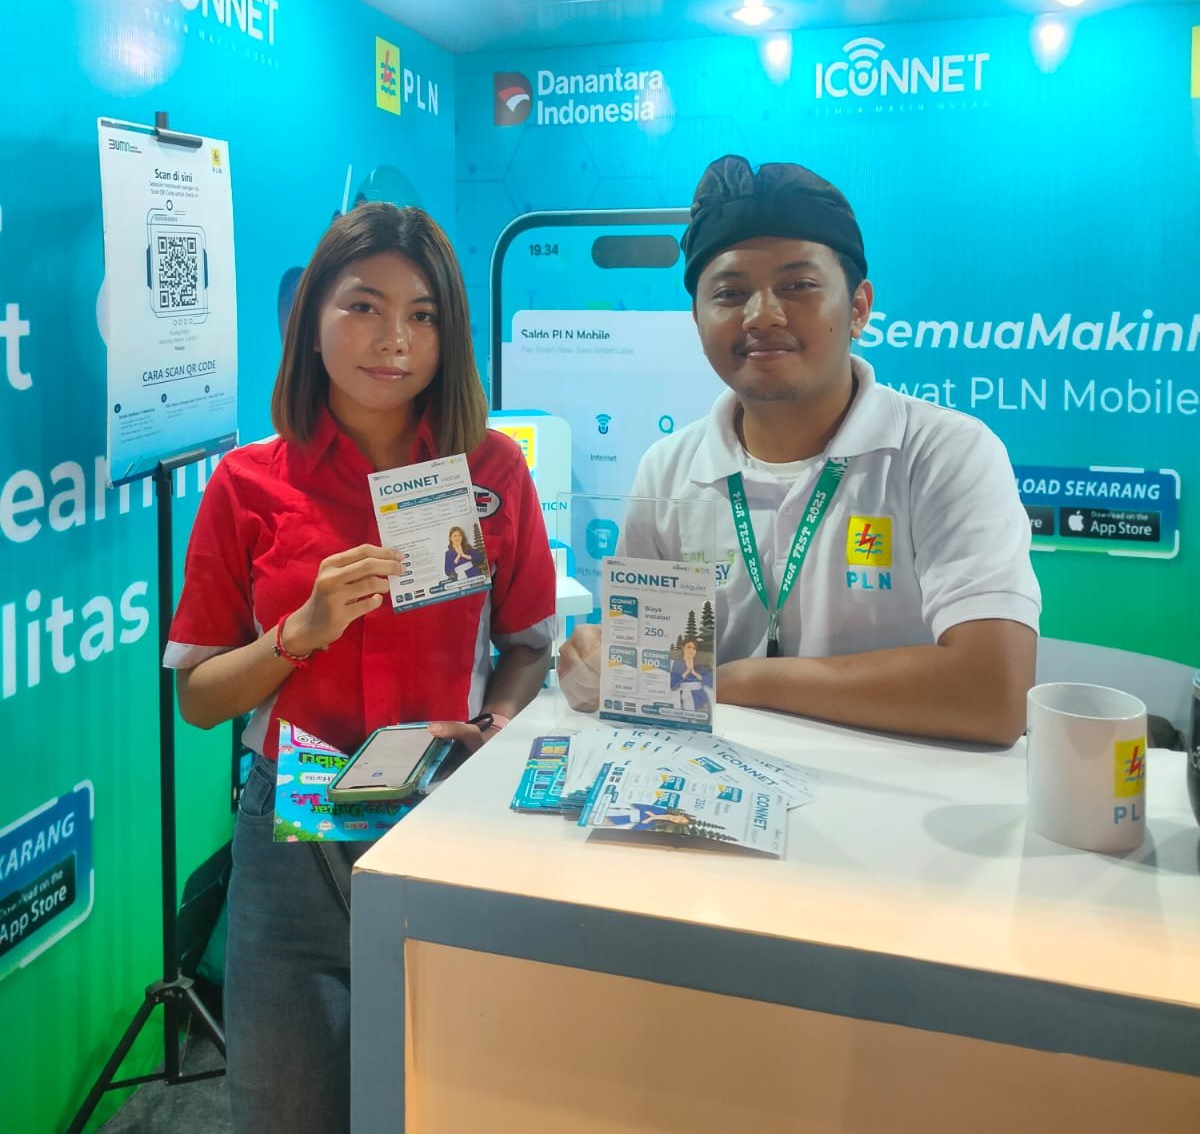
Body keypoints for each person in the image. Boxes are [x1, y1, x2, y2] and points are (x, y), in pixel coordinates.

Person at [165, 203, 555, 1134]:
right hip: (293, 837)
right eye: (364, 307)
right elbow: (198, 698)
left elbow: (529, 644)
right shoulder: (248, 483)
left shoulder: (492, 470)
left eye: (423, 315)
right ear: (311, 323)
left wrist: (497, 727)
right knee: (286, 1108)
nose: (394, 340)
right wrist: (298, 633)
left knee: (452, 1102)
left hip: (444, 808)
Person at [559, 155, 1039, 746]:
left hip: (901, 796)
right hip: (716, 788)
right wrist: (599, 663)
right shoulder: (669, 469)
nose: (762, 315)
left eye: (798, 286)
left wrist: (744, 680)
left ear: (858, 307)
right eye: (730, 292)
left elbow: (993, 692)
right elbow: (651, 667)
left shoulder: (943, 454)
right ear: (697, 319)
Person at [669, 637, 714, 715]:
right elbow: (672, 684)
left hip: (701, 700)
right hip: (685, 698)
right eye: (688, 647)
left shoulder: (700, 665)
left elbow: (711, 682)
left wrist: (695, 673)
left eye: (694, 648)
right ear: (683, 648)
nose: (691, 650)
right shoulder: (678, 664)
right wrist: (686, 672)